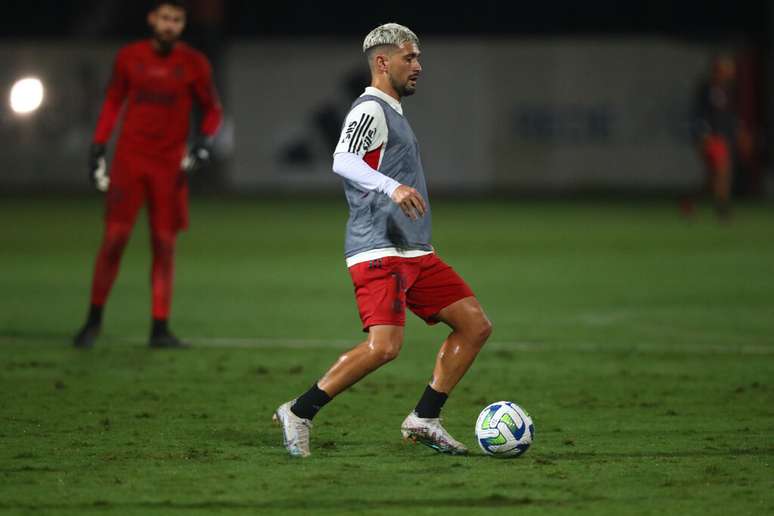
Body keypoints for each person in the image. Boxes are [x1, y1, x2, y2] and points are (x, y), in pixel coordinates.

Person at [273, 23, 492, 457]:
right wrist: (392, 187)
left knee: (474, 325)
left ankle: (425, 418)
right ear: (382, 62)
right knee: (384, 347)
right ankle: (299, 411)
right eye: (409, 58)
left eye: (418, 58)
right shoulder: (368, 109)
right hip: (380, 249)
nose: (418, 66)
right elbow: (342, 160)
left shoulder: (392, 112)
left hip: (414, 250)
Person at [73, 0, 222, 348]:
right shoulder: (130, 57)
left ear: (183, 24)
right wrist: (98, 146)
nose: (170, 25)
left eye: (177, 20)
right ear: (152, 19)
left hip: (168, 166)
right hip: (130, 161)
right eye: (165, 18)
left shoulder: (194, 63)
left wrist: (203, 142)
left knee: (164, 245)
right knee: (114, 240)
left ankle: (159, 327)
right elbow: (113, 102)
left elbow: (212, 110)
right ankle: (93, 321)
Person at [693, 54, 747, 219]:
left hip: (723, 138)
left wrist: (739, 131)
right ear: (718, 69)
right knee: (723, 173)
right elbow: (700, 114)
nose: (731, 72)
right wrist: (703, 136)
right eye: (727, 69)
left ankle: (689, 203)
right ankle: (722, 210)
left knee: (712, 180)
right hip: (712, 138)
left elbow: (729, 116)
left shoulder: (728, 90)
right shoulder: (707, 89)